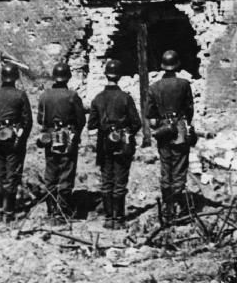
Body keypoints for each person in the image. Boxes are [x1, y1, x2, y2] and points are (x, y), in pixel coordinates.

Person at [88, 60, 141, 230]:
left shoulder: (97, 99)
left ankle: (109, 217)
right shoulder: (126, 98)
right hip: (123, 145)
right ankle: (119, 218)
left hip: (104, 145)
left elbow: (91, 125)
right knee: (120, 180)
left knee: (106, 181)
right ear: (119, 76)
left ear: (105, 75)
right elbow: (136, 123)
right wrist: (125, 132)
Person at [146, 50, 195, 221]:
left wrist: (160, 124)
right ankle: (179, 206)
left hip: (163, 130)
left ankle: (168, 207)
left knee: (166, 166)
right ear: (177, 65)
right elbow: (190, 109)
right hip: (180, 129)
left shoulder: (154, 87)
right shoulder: (184, 84)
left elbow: (150, 117)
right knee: (180, 166)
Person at [0, 61, 32, 224]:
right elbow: (28, 121)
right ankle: (9, 212)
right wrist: (21, 140)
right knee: (12, 176)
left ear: (2, 77)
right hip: (14, 141)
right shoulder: (20, 95)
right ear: (16, 77)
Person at [37, 61, 86, 222]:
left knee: (51, 173)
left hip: (49, 139)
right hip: (68, 138)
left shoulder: (44, 96)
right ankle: (63, 211)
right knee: (66, 172)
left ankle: (51, 211)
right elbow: (81, 120)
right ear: (68, 77)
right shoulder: (72, 96)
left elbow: (40, 119)